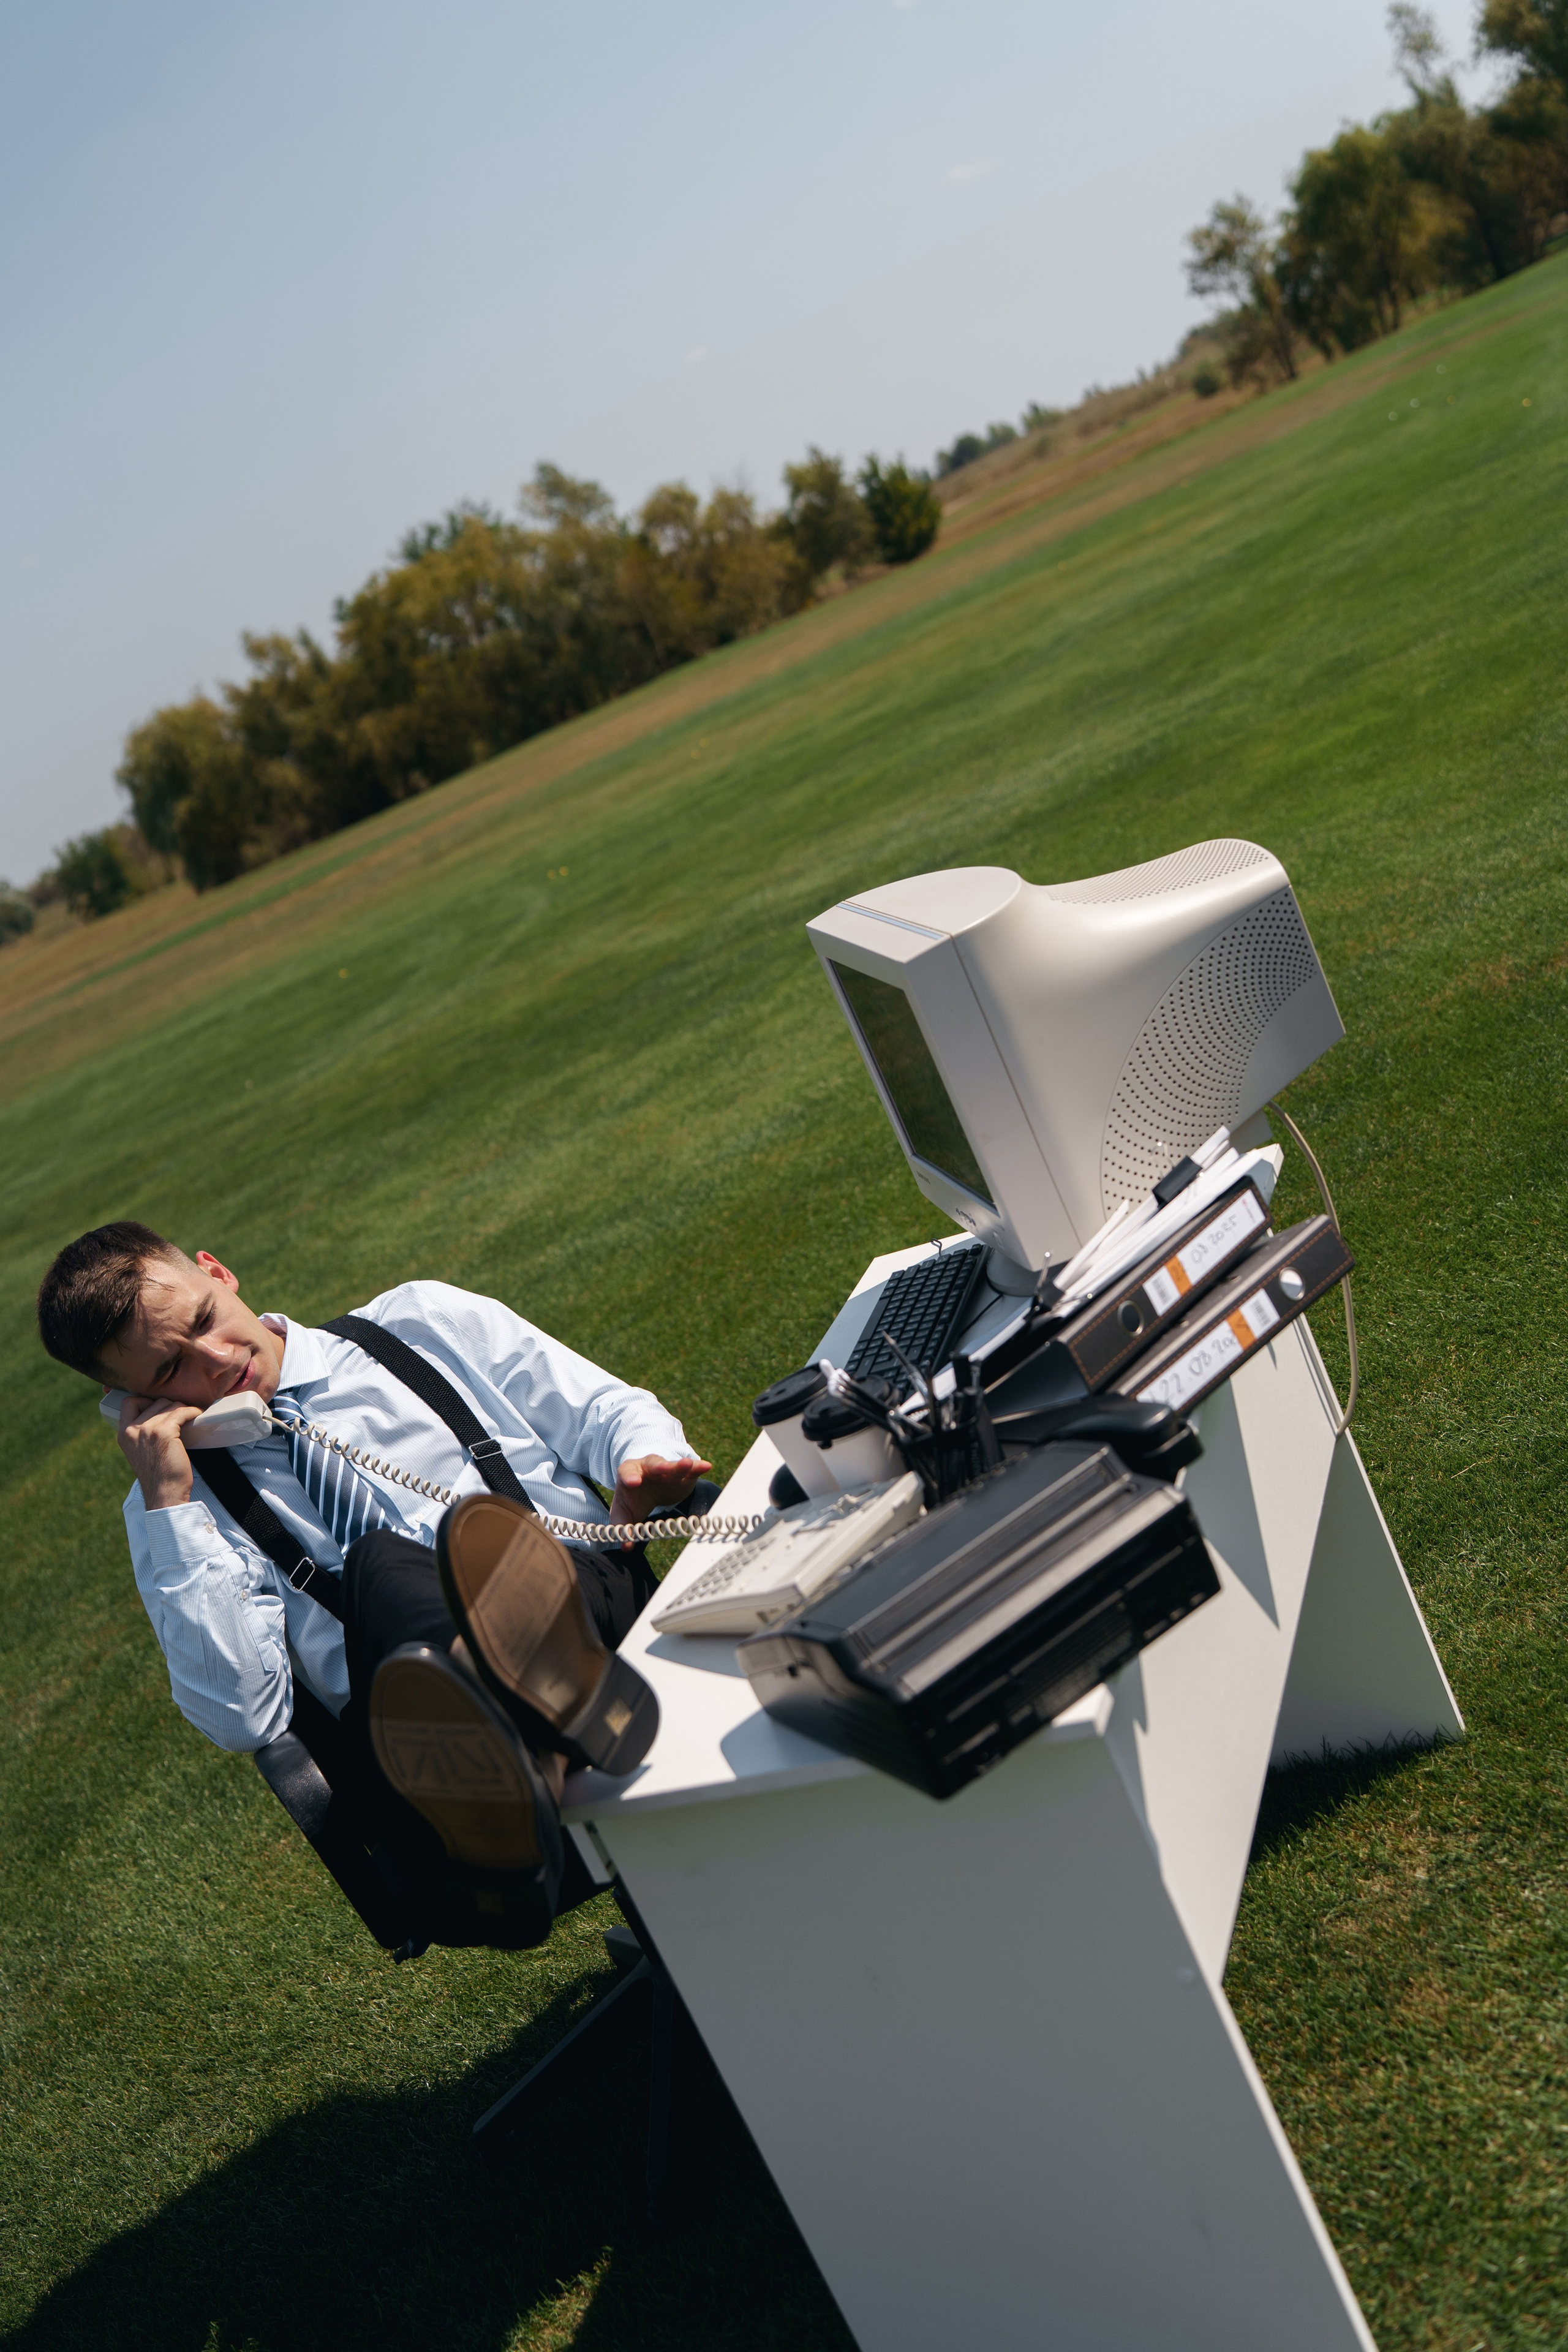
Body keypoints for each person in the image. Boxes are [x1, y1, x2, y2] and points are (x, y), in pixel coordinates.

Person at [36, 1221, 712, 1943]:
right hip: (422, 1753)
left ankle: (514, 1799)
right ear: (128, 1401)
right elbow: (242, 1718)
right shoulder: (174, 1508)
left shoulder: (418, 1322)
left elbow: (599, 1410)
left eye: (205, 1320)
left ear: (218, 1272)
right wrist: (173, 1507)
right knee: (382, 1571)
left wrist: (646, 1457)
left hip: (587, 1610)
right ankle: (535, 1725)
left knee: (454, 1545)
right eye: (170, 1370)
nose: (216, 1360)